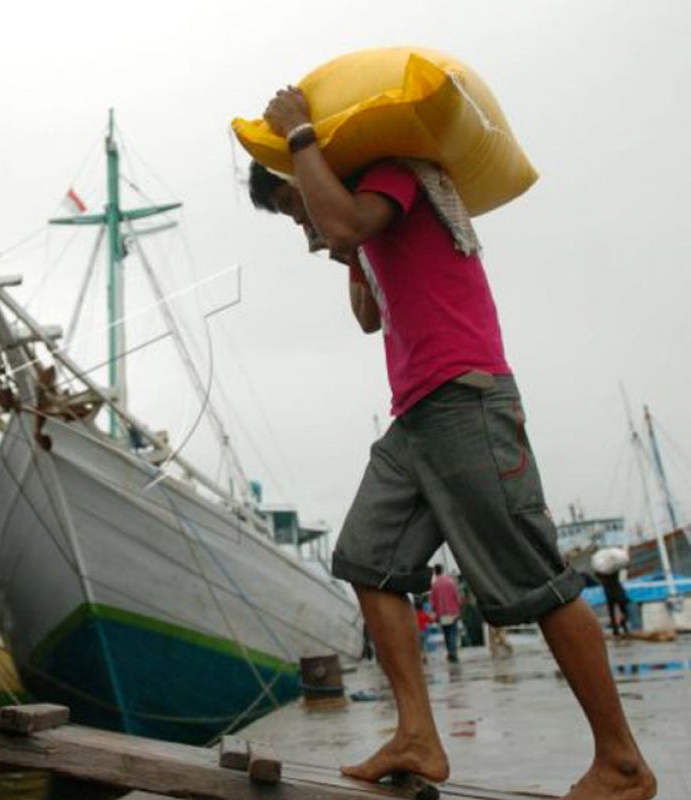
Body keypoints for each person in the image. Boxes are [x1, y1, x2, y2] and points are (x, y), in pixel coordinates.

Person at [251, 84, 656, 799]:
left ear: (324, 171)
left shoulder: (394, 175)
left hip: (465, 399)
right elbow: (368, 319)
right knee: (367, 558)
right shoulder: (362, 224)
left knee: (536, 576)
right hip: (415, 416)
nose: (303, 226)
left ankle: (621, 761)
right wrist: (345, 248)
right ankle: (417, 736)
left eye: (296, 208)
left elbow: (343, 223)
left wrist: (304, 144)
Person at [430, 565, 462, 663]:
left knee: (447, 633)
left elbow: (433, 601)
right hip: (452, 612)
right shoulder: (450, 582)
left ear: (435, 572)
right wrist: (459, 606)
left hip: (441, 613)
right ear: (442, 570)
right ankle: (453, 653)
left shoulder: (434, 585)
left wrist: (435, 612)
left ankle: (450, 652)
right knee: (453, 633)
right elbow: (456, 597)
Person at [596, 568, 631, 638]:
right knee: (622, 609)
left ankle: (617, 629)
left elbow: (597, 574)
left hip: (609, 592)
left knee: (613, 611)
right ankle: (623, 627)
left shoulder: (603, 573)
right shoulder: (614, 571)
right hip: (616, 591)